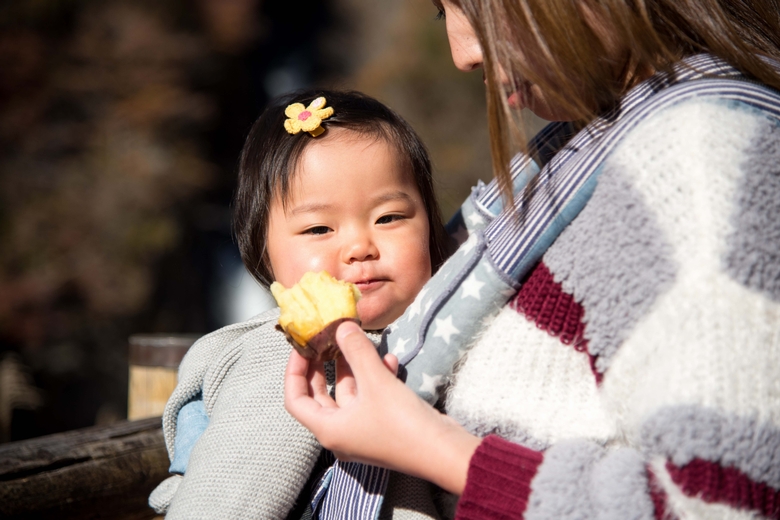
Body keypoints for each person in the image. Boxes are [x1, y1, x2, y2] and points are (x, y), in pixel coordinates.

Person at [285, 1, 780, 519]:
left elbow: (721, 505)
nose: (464, 52)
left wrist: (427, 445)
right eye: (442, 12)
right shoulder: (588, 148)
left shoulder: (697, 160)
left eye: (478, 8)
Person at [149, 88, 452, 519]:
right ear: (263, 250)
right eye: (318, 229)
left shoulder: (451, 328)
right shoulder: (282, 359)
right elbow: (224, 501)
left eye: (389, 218)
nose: (360, 247)